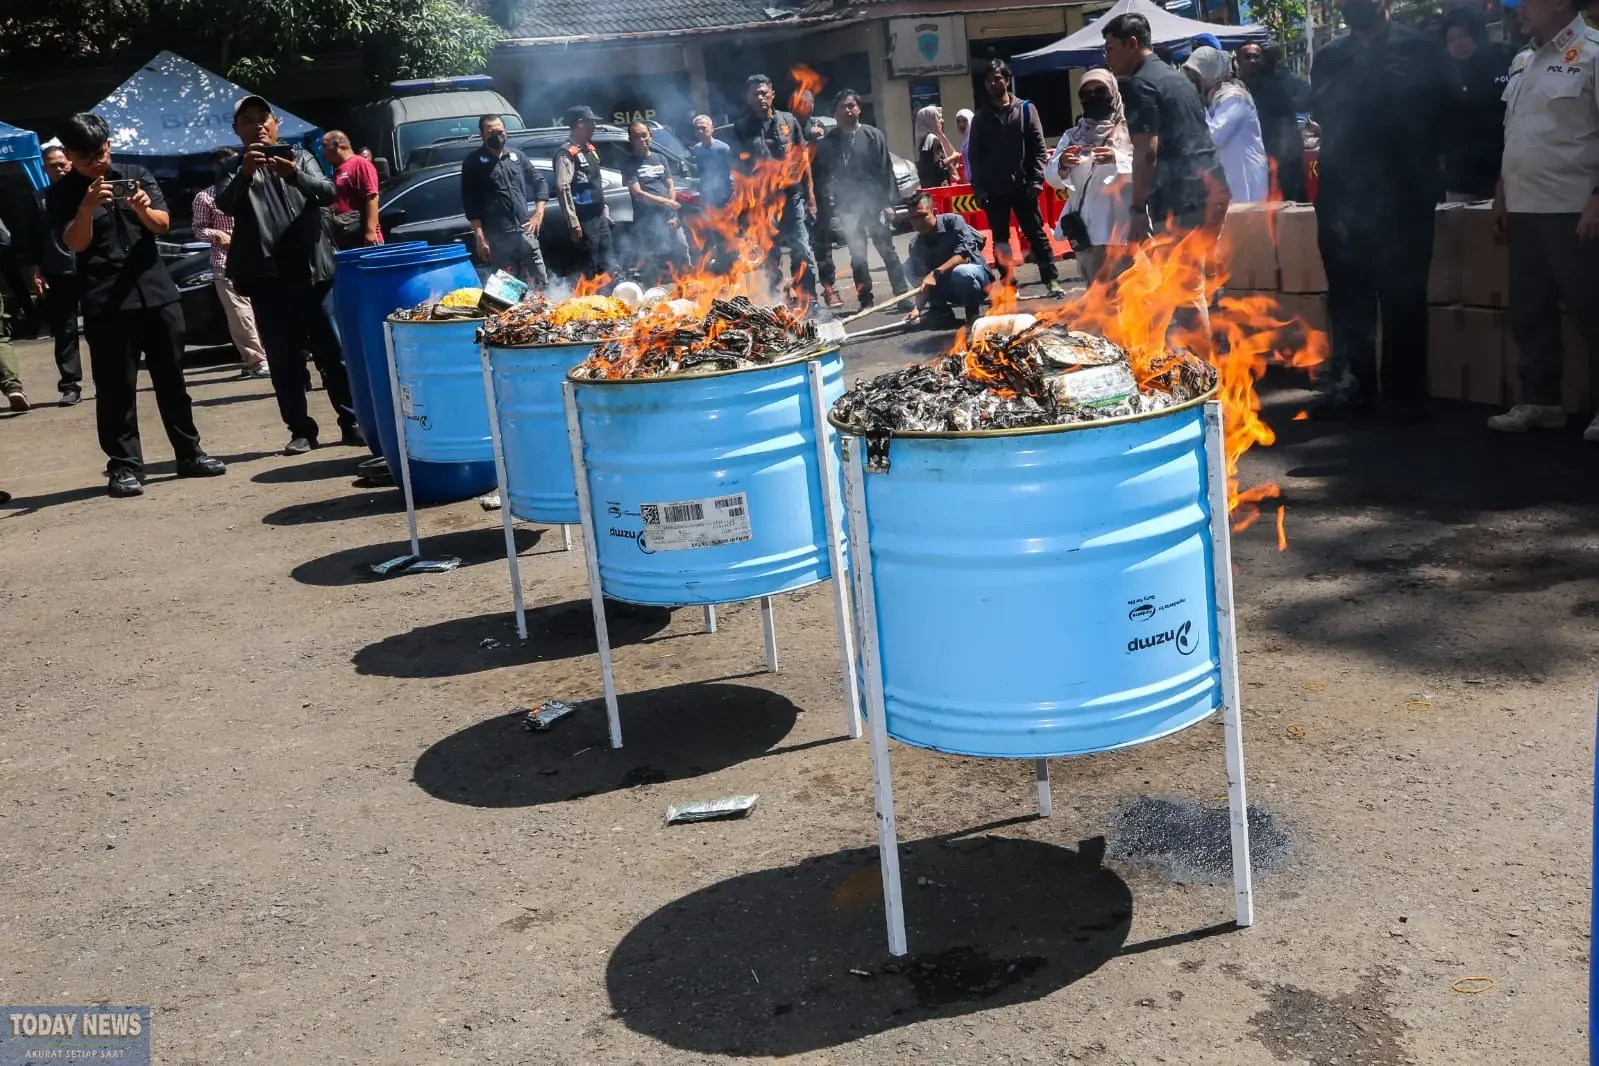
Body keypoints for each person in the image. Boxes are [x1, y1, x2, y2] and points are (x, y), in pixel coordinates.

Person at [45, 113, 226, 497]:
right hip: (106, 300)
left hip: (156, 292)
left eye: (101, 152)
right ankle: (125, 466)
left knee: (172, 380)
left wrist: (142, 207)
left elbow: (161, 225)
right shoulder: (62, 193)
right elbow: (75, 243)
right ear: (70, 155)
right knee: (116, 389)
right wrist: (85, 208)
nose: (96, 162)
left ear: (109, 144)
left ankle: (190, 453)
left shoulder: (136, 175)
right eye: (85, 157)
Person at [1309, 0, 1452, 419]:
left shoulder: (1422, 50)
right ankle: (1354, 387)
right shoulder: (1331, 56)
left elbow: (1447, 118)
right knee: (1347, 297)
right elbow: (1322, 118)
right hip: (1342, 198)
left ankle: (1404, 396)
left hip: (1404, 198)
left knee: (1403, 297)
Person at [218, 94, 361, 456]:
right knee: (284, 362)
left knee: (334, 354)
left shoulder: (302, 156)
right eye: (248, 121)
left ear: (276, 124)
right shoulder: (231, 167)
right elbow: (225, 205)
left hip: (314, 274)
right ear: (237, 130)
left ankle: (352, 422)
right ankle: (301, 430)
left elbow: (329, 192)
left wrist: (294, 174)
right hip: (268, 280)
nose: (258, 126)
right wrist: (245, 173)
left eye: (263, 118)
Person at [1486, 0, 1599, 440]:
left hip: (1574, 206)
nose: (1519, 8)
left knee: (1591, 307)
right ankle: (1540, 400)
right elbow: (1515, 131)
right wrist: (1501, 193)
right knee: (1530, 310)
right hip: (1525, 205)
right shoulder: (1523, 59)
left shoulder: (1593, 53)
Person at [1103, 13, 1230, 238]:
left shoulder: (1141, 84)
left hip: (1180, 202)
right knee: (1207, 261)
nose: (1107, 57)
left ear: (1131, 43)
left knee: (1178, 262)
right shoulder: (1177, 77)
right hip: (1213, 189)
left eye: (1110, 48)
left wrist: (1138, 210)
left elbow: (1146, 152)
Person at [967, 58, 1063, 296]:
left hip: (1024, 187)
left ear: (1007, 81)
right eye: (989, 80)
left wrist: (1036, 180)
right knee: (1000, 240)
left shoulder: (1026, 110)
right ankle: (1009, 283)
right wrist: (979, 189)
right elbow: (975, 157)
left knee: (1036, 235)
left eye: (997, 78)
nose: (993, 83)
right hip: (994, 190)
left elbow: (1039, 148)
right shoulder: (980, 118)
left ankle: (1051, 280)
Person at [813, 88, 908, 309]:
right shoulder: (829, 142)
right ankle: (865, 299)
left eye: (851, 106)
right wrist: (829, 208)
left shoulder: (873, 136)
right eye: (842, 107)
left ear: (859, 109)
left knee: (888, 250)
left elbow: (885, 170)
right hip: (847, 206)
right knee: (857, 254)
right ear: (835, 112)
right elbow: (822, 176)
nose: (848, 110)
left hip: (874, 203)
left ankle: (902, 295)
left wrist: (887, 204)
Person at [728, 75, 818, 307]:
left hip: (792, 198)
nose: (760, 97)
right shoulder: (741, 128)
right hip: (761, 204)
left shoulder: (789, 120)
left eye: (764, 93)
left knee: (802, 250)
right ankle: (780, 303)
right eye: (755, 94)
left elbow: (804, 160)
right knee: (770, 256)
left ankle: (809, 301)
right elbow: (738, 170)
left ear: (772, 95)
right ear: (748, 98)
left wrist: (811, 197)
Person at [1044, 69, 1133, 283]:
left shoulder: (1130, 132)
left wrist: (1117, 159)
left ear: (1113, 93)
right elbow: (1051, 178)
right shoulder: (1072, 136)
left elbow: (1147, 169)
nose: (1093, 98)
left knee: (1128, 296)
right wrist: (1062, 163)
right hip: (1086, 233)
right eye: (1086, 94)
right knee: (1096, 297)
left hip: (1121, 231)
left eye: (1100, 91)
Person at [190, 147, 269, 381]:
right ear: (216, 167)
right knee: (240, 314)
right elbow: (198, 229)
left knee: (266, 310)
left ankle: (274, 355)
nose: (232, 167)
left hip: (261, 259)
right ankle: (257, 361)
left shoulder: (256, 188)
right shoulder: (205, 197)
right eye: (226, 163)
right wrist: (217, 235)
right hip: (225, 262)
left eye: (235, 162)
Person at [463, 115, 549, 287]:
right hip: (498, 240)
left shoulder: (517, 157)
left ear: (506, 132)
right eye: (491, 133)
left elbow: (540, 181)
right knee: (509, 291)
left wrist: (539, 213)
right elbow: (470, 203)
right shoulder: (473, 163)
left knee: (542, 285)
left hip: (525, 233)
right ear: (481, 135)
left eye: (500, 132)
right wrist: (480, 237)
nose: (497, 136)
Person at [1440, 8, 1511, 201]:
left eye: (1463, 36)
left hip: (1507, 170)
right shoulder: (1441, 73)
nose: (1458, 43)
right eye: (1451, 40)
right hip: (1463, 178)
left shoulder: (1503, 58)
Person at [31, 145, 83, 405]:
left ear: (71, 162)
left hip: (92, 266)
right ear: (45, 169)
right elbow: (33, 237)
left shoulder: (88, 192)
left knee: (104, 326)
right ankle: (70, 385)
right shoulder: (40, 199)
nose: (59, 168)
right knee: (65, 329)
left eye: (63, 163)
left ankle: (109, 380)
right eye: (53, 165)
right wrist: (36, 269)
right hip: (58, 269)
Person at [1185, 47, 1271, 203]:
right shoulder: (1212, 98)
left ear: (1209, 73)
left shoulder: (1234, 98)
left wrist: (1196, 105)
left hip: (1246, 175)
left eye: (1196, 78)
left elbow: (1214, 136)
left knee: (1247, 215)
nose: (1192, 83)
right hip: (1229, 175)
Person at [903, 192, 991, 328]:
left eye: (922, 216)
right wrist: (917, 309)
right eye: (913, 218)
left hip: (977, 281)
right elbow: (924, 282)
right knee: (908, 266)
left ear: (934, 212)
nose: (918, 222)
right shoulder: (915, 244)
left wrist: (935, 273)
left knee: (962, 272)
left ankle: (972, 314)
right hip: (948, 286)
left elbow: (963, 256)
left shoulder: (953, 222)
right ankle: (941, 311)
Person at [552, 106, 618, 282]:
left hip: (599, 217)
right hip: (584, 220)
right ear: (580, 124)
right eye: (592, 122)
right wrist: (573, 222)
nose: (595, 126)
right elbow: (563, 187)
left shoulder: (589, 149)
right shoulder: (566, 153)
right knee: (589, 266)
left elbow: (594, 182)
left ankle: (610, 294)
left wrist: (604, 208)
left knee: (607, 263)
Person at [1236, 43, 1310, 201]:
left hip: (1285, 156)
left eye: (1256, 57)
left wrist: (1287, 105)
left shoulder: (1282, 80)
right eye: (1247, 57)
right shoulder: (1237, 86)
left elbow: (1307, 99)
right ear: (1238, 60)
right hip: (1258, 160)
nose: (1253, 61)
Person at [622, 120, 689, 285]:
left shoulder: (660, 158)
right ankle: (653, 290)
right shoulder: (629, 163)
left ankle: (687, 283)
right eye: (637, 137)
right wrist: (666, 203)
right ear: (631, 140)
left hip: (669, 216)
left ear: (650, 136)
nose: (642, 140)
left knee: (681, 249)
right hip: (646, 221)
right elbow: (638, 194)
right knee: (651, 259)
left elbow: (670, 186)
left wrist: (671, 214)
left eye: (644, 135)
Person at [322, 130, 383, 250]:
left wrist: (371, 232)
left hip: (364, 240)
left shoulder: (360, 164)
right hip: (346, 238)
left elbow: (372, 197)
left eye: (324, 146)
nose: (322, 151)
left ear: (336, 145)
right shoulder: (338, 169)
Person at [690, 114, 733, 210]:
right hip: (707, 196)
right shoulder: (697, 148)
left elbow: (732, 172)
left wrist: (731, 196)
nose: (700, 131)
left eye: (703, 128)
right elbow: (701, 172)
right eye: (697, 128)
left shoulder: (723, 148)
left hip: (725, 196)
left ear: (712, 129)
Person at [913, 106, 960, 188]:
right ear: (930, 120)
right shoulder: (932, 139)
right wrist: (953, 157)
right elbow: (938, 165)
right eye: (937, 118)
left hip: (928, 186)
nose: (942, 121)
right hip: (938, 187)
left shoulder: (923, 139)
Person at [954, 108, 974, 179]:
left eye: (965, 121)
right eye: (958, 122)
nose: (961, 124)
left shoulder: (973, 138)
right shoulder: (966, 139)